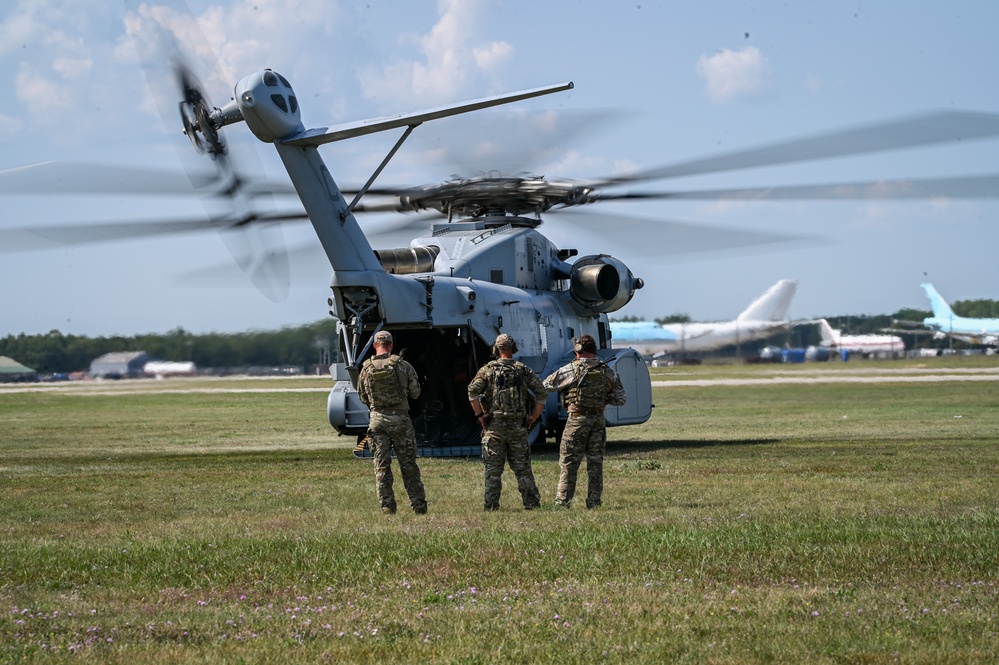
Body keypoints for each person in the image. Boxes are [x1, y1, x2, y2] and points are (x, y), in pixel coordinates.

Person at [543, 334, 626, 509]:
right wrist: (602, 397)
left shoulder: (571, 369)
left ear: (578, 350)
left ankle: (562, 502)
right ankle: (594, 502)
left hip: (577, 421)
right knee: (595, 463)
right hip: (598, 421)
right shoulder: (607, 371)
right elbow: (620, 399)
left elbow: (547, 385)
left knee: (568, 463)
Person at [467, 334, 547, 511]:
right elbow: (542, 394)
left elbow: (472, 392)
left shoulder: (487, 370)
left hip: (495, 427)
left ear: (496, 349)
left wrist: (480, 415)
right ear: (514, 348)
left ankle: (491, 506)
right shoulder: (523, 370)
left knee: (493, 471)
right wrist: (533, 416)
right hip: (518, 427)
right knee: (523, 469)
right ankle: (532, 504)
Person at [357, 330, 427, 515]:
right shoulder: (402, 365)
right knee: (408, 465)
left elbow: (363, 396)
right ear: (391, 344)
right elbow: (415, 393)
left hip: (377, 421)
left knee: (381, 465)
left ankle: (387, 506)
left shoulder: (365, 368)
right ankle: (418, 506)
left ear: (374, 345)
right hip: (401, 420)